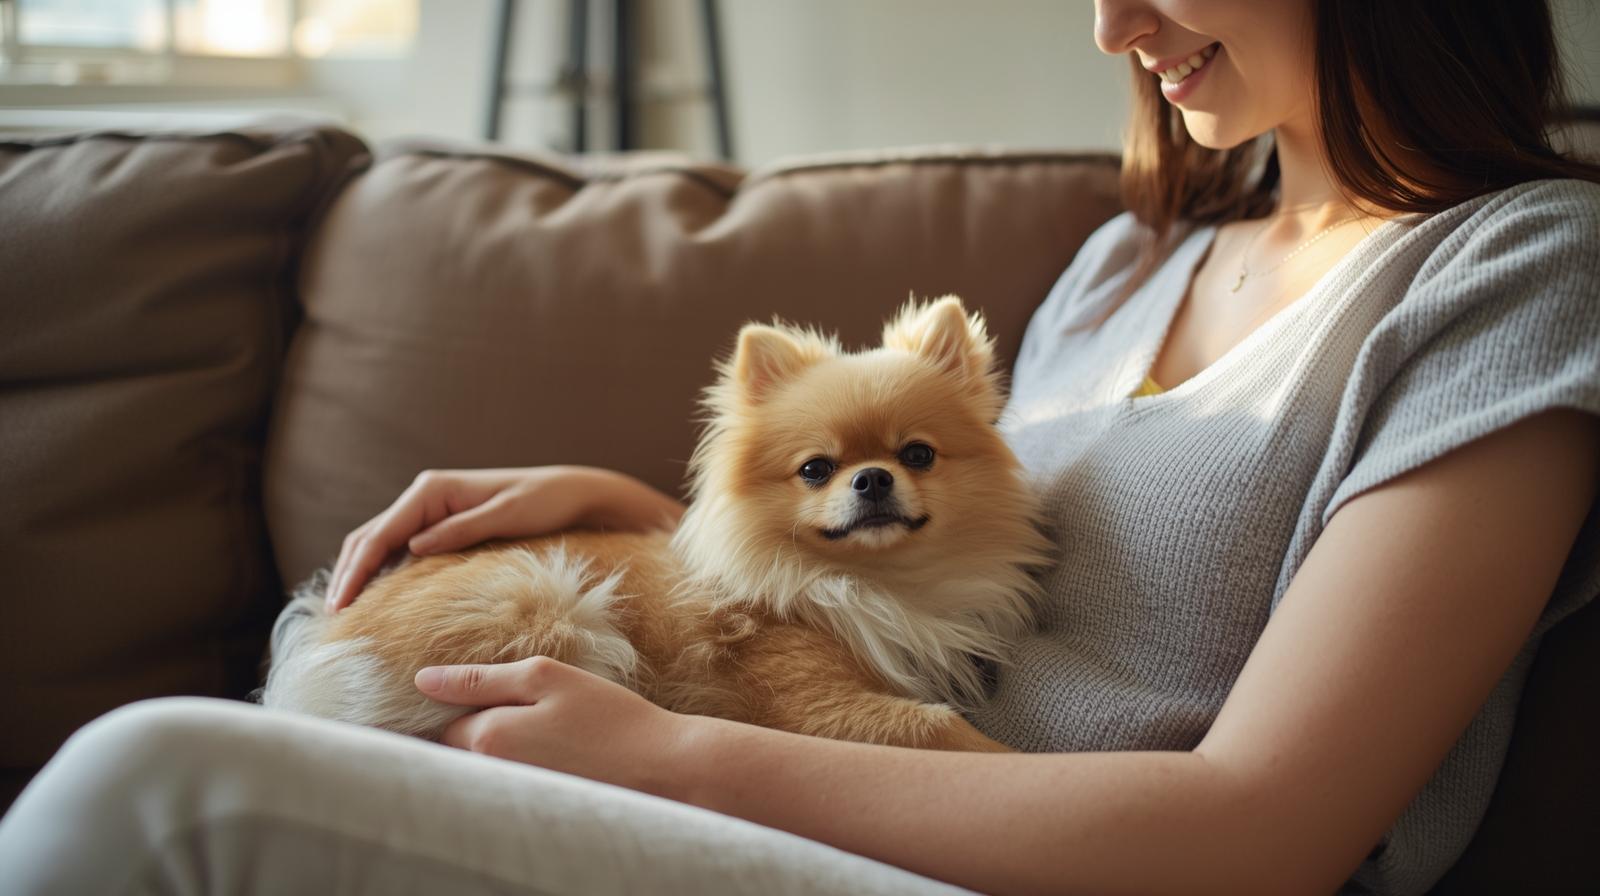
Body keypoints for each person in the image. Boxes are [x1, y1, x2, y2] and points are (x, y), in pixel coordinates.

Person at [4, 1, 1598, 893]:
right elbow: (923, 566)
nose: (1114, 24)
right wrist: (649, 526)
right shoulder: (1135, 264)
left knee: (151, 786)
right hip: (828, 801)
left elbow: (1264, 835)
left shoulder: (1512, 270)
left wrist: (666, 754)